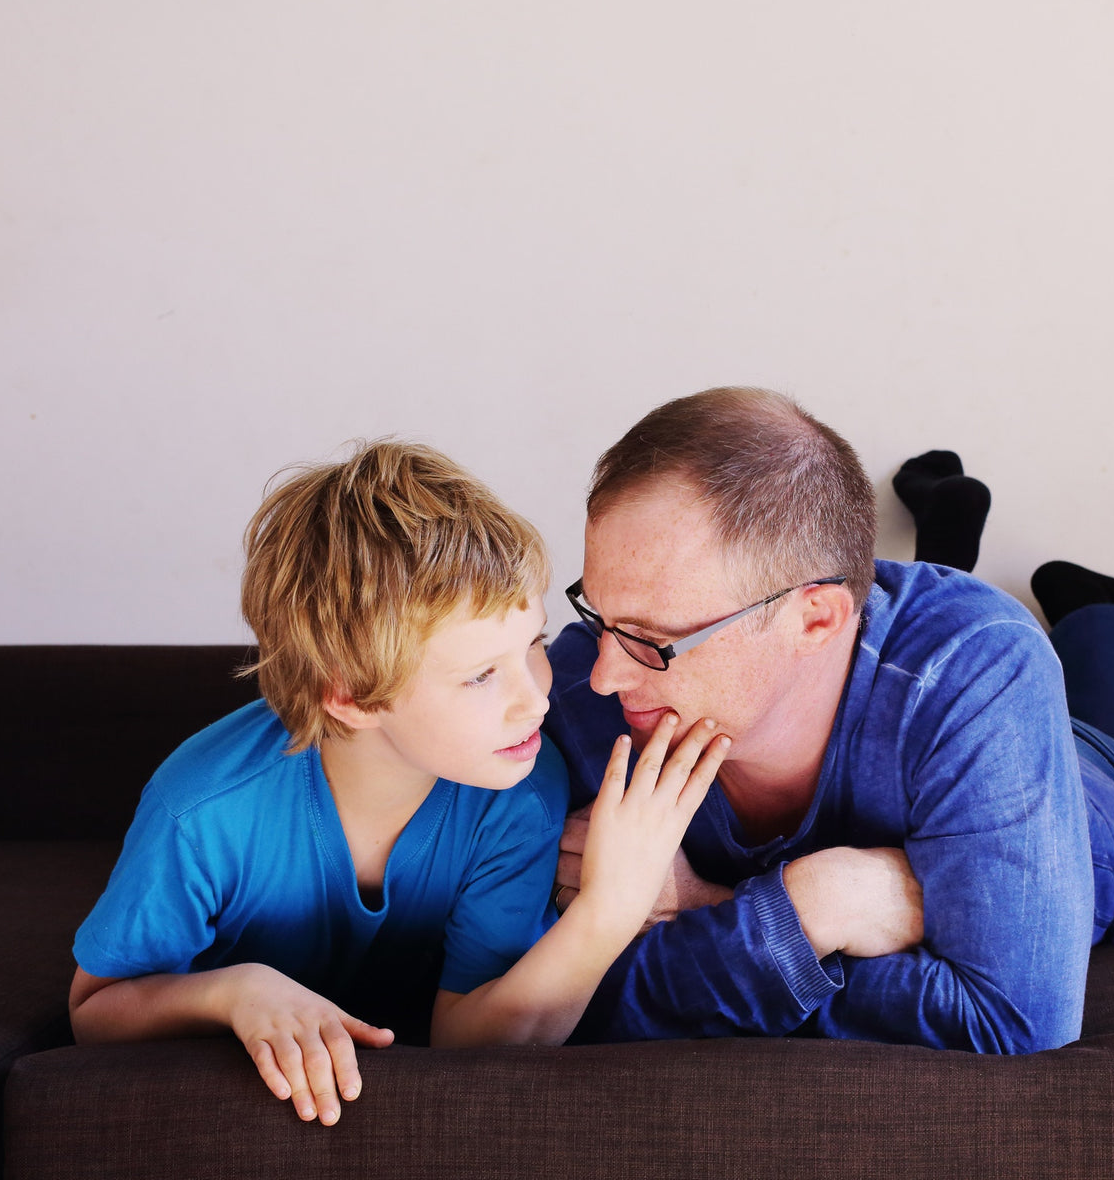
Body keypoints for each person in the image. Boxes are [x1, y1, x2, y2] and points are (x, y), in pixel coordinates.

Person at [544, 388, 1114, 1052]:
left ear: (816, 618)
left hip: (1102, 789)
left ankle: (1102, 617)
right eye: (596, 615)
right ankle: (942, 541)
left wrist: (741, 911)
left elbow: (1013, 1022)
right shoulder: (580, 686)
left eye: (652, 638)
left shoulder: (979, 661)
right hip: (918, 703)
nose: (604, 673)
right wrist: (816, 913)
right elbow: (526, 1008)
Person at [69, 440, 729, 1125]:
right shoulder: (201, 812)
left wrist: (611, 906)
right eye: (480, 675)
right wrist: (234, 992)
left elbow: (472, 1043)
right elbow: (93, 1012)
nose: (536, 700)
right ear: (352, 697)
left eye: (532, 645)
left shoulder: (520, 793)